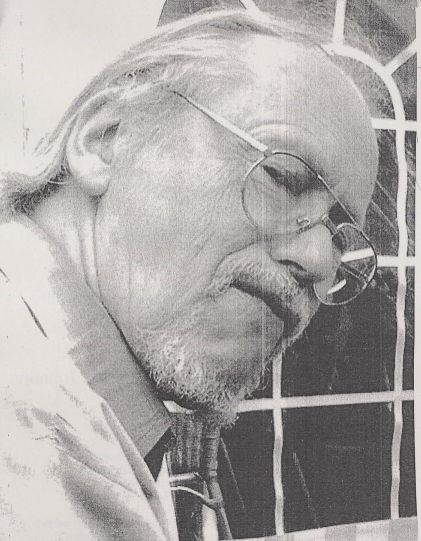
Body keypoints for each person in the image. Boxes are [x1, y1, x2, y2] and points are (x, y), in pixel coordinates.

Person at [0, 6, 382, 540]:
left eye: (342, 238)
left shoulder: (85, 409)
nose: (319, 260)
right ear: (103, 138)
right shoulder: (31, 440)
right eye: (282, 177)